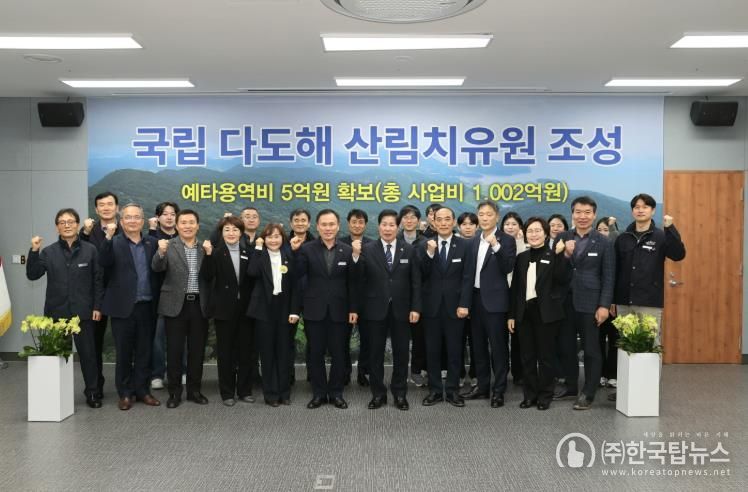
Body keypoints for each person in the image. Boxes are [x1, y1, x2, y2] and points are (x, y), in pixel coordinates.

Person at [26, 208, 104, 408]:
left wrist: (97, 306)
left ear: (77, 225)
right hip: (57, 313)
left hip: (84, 313)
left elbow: (97, 280)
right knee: (58, 355)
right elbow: (33, 274)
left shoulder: (90, 250)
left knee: (88, 356)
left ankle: (92, 393)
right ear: (57, 227)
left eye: (70, 221)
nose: (67, 225)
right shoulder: (48, 252)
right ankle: (58, 393)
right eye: (62, 222)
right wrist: (34, 250)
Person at [355, 209, 421, 411]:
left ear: (398, 227)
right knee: (375, 353)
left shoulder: (408, 250)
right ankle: (378, 394)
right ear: (378, 226)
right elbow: (358, 280)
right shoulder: (367, 249)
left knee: (401, 353)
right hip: (374, 309)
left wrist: (416, 307)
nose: (388, 228)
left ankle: (399, 393)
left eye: (392, 225)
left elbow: (415, 282)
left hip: (402, 309)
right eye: (384, 224)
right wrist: (355, 257)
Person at [293, 209, 357, 409]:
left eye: (331, 224)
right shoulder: (306, 249)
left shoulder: (347, 250)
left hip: (340, 310)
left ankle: (336, 393)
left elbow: (353, 283)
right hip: (314, 309)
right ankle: (319, 393)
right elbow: (297, 276)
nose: (328, 228)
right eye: (324, 224)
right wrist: (294, 252)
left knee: (339, 354)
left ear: (338, 226)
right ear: (317, 227)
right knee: (315, 354)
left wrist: (354, 309)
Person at [98, 203, 161, 410]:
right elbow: (103, 262)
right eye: (128, 217)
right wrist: (108, 237)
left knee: (145, 351)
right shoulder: (113, 242)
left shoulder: (152, 243)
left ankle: (142, 390)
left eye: (136, 217)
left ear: (143, 221)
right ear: (121, 221)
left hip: (147, 306)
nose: (132, 221)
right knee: (124, 353)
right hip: (122, 307)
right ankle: (125, 393)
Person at [555, 196, 615, 411]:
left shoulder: (604, 241)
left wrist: (604, 305)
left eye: (587, 212)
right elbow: (554, 271)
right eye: (578, 212)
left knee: (591, 349)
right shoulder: (562, 237)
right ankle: (571, 386)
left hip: (591, 303)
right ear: (572, 214)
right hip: (564, 302)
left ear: (594, 215)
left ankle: (589, 392)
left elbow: (608, 277)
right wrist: (565, 254)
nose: (582, 216)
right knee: (566, 347)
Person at [507, 217, 572, 410]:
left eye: (538, 231)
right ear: (525, 234)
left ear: (545, 233)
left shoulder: (553, 255)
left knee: (546, 357)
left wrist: (560, 256)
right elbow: (515, 289)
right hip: (524, 313)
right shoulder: (521, 258)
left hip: (546, 313)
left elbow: (562, 279)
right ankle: (530, 395)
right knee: (527, 357)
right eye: (530, 231)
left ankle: (545, 395)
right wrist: (511, 315)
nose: (534, 234)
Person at [152, 209, 210, 408]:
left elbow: (211, 275)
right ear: (176, 226)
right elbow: (156, 267)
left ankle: (194, 391)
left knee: (197, 351)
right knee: (174, 351)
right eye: (183, 222)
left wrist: (210, 255)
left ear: (198, 226)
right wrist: (160, 252)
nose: (187, 226)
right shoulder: (168, 246)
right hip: (175, 304)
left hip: (199, 305)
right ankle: (174, 393)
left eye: (191, 222)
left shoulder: (205, 248)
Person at [461, 200, 517, 408]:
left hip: (495, 303)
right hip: (475, 300)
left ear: (497, 216)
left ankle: (499, 390)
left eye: (489, 214)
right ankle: (482, 387)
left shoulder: (506, 240)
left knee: (498, 348)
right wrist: (465, 303)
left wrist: (495, 245)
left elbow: (507, 267)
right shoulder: (473, 241)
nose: (484, 218)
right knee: (478, 347)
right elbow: (468, 275)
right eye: (481, 214)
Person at [613, 193, 686, 345]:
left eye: (645, 207)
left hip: (649, 301)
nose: (640, 210)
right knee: (626, 343)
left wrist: (670, 228)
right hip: (623, 302)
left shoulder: (661, 236)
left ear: (653, 211)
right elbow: (615, 269)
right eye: (637, 207)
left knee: (650, 344)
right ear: (632, 211)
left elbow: (678, 255)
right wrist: (612, 300)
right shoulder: (622, 238)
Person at [420, 207, 472, 407]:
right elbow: (420, 275)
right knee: (432, 351)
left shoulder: (464, 245)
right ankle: (434, 390)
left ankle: (452, 391)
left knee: (455, 351)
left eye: (447, 219)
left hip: (456, 308)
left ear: (453, 222)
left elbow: (467, 277)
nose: (443, 223)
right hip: (431, 307)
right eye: (439, 219)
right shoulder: (425, 245)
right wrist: (429, 254)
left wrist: (464, 304)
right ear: (433, 222)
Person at [199, 216, 254, 406]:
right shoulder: (215, 253)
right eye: (227, 230)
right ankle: (227, 392)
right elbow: (207, 276)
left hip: (246, 309)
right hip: (223, 309)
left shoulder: (248, 252)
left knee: (246, 351)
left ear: (241, 233)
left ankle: (245, 390)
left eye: (235, 230)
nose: (231, 233)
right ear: (221, 233)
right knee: (225, 352)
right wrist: (207, 255)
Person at [247, 223, 300, 406]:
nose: (273, 240)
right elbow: (252, 272)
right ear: (264, 239)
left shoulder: (289, 256)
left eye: (277, 236)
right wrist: (258, 248)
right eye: (269, 237)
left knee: (284, 353)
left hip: (284, 308)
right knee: (267, 353)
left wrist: (294, 310)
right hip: (264, 309)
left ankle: (284, 393)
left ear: (282, 238)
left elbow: (295, 286)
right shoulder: (260, 255)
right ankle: (270, 394)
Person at [79, 190, 119, 400]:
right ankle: (95, 388)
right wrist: (84, 233)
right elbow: (77, 252)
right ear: (96, 209)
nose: (106, 208)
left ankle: (129, 387)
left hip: (121, 292)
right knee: (93, 344)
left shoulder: (127, 228)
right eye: (101, 205)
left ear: (117, 208)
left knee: (127, 342)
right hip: (95, 295)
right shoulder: (88, 231)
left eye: (110, 204)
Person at [147, 201, 180, 391]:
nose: (169, 217)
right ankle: (157, 374)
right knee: (158, 338)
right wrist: (152, 233)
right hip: (158, 295)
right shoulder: (151, 238)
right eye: (165, 214)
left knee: (181, 338)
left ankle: (181, 371)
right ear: (158, 217)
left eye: (172, 214)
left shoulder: (183, 236)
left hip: (180, 295)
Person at [339, 209, 373, 387]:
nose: (357, 225)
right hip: (344, 298)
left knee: (367, 338)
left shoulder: (372, 245)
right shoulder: (339, 243)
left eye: (361, 222)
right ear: (348, 223)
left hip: (367, 299)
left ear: (365, 225)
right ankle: (344, 372)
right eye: (354, 222)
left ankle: (363, 372)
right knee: (342, 338)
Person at [396, 204, 428, 387]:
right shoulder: (394, 239)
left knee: (419, 337)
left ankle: (416, 371)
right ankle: (399, 373)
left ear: (418, 220)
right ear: (400, 221)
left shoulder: (426, 242)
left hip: (420, 295)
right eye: (405, 217)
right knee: (399, 337)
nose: (409, 220)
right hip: (397, 296)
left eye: (412, 217)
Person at [501, 211, 527, 386]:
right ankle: (501, 372)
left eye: (514, 224)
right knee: (500, 338)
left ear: (520, 227)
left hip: (518, 297)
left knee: (519, 338)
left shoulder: (525, 246)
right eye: (507, 224)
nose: (510, 227)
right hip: (500, 296)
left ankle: (519, 373)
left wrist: (519, 242)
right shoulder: (496, 243)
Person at [595, 216, 619, 388]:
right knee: (597, 341)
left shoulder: (617, 250)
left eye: (606, 230)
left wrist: (613, 300)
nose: (603, 233)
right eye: (600, 230)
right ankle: (600, 373)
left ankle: (613, 374)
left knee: (614, 340)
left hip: (614, 303)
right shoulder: (592, 248)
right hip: (595, 303)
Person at [457, 212, 479, 387]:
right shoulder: (454, 244)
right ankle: (457, 373)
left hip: (478, 301)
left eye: (471, 224)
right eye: (464, 224)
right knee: (457, 341)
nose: (468, 227)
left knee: (476, 341)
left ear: (477, 227)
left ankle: (475, 374)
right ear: (459, 227)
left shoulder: (482, 243)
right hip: (457, 301)